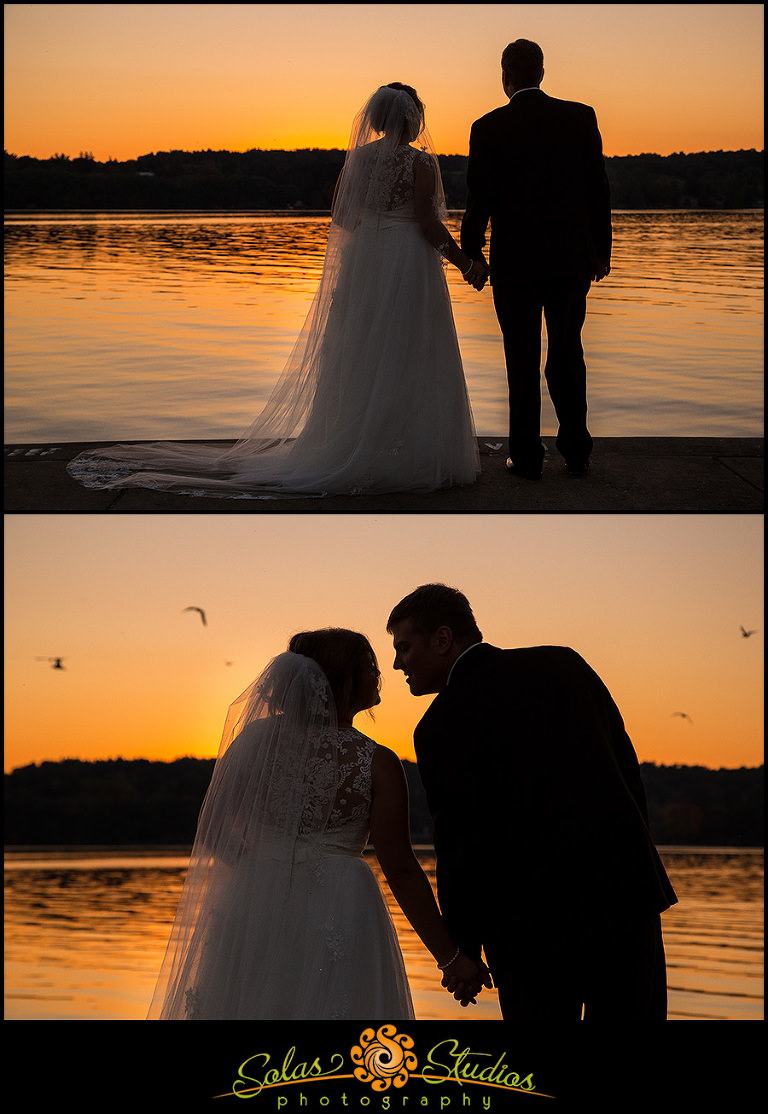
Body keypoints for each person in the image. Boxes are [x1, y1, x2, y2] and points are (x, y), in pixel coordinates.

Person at [68, 84, 481, 499]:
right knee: (408, 350)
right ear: (412, 117)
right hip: (405, 263)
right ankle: (405, 451)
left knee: (359, 351)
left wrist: (374, 239)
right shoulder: (420, 162)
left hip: (366, 262)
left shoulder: (359, 158)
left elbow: (342, 214)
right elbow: (428, 224)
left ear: (376, 119)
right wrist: (466, 263)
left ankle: (354, 444)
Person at [147, 629, 487, 1020]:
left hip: (253, 904)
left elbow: (212, 826)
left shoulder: (254, 743)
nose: (380, 675)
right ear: (342, 679)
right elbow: (401, 868)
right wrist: (451, 957)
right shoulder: (375, 762)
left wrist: (259, 872)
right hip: (341, 906)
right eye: (370, 667)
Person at [387, 584, 678, 1022]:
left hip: (528, 929)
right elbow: (626, 772)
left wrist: (462, 950)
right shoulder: (564, 663)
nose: (397, 664)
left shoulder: (440, 726)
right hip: (624, 903)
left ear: (443, 639)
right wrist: (635, 863)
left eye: (404, 647)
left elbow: (460, 845)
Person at [461, 39, 613, 480]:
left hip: (516, 264)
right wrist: (600, 252)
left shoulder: (487, 127)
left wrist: (474, 255)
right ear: (541, 73)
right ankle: (577, 450)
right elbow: (597, 192)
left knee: (520, 358)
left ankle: (526, 456)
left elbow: (479, 201)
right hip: (570, 261)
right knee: (568, 352)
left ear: (505, 76)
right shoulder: (580, 117)